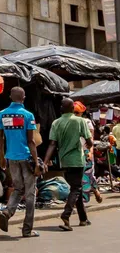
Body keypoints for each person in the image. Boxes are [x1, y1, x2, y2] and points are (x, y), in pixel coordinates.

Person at [0, 87, 41, 238]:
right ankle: (27, 229)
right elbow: (31, 141)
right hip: (26, 158)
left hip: (11, 158)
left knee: (17, 188)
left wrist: (2, 157)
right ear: (24, 97)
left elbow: (0, 138)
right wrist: (37, 162)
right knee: (30, 194)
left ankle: (8, 211)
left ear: (10, 96)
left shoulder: (2, 114)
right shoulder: (28, 115)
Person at [45, 97, 93, 231]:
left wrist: (45, 161)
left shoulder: (56, 123)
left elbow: (52, 144)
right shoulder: (80, 121)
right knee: (76, 188)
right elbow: (89, 140)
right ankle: (66, 215)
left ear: (61, 108)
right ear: (73, 109)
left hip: (64, 160)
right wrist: (89, 147)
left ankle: (83, 218)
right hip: (77, 159)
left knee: (76, 188)